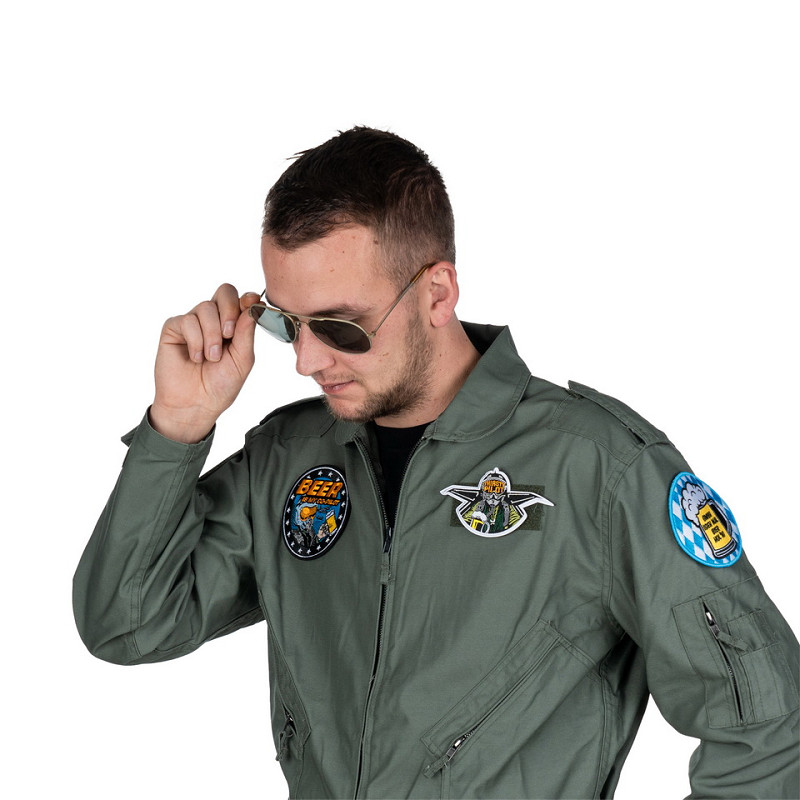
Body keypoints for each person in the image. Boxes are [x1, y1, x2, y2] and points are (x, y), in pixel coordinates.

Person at [73, 127, 799, 799]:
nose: (306, 360)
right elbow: (126, 623)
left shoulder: (598, 470)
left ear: (437, 294)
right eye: (287, 324)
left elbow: (769, 733)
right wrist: (178, 428)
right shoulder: (287, 459)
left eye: (339, 326)